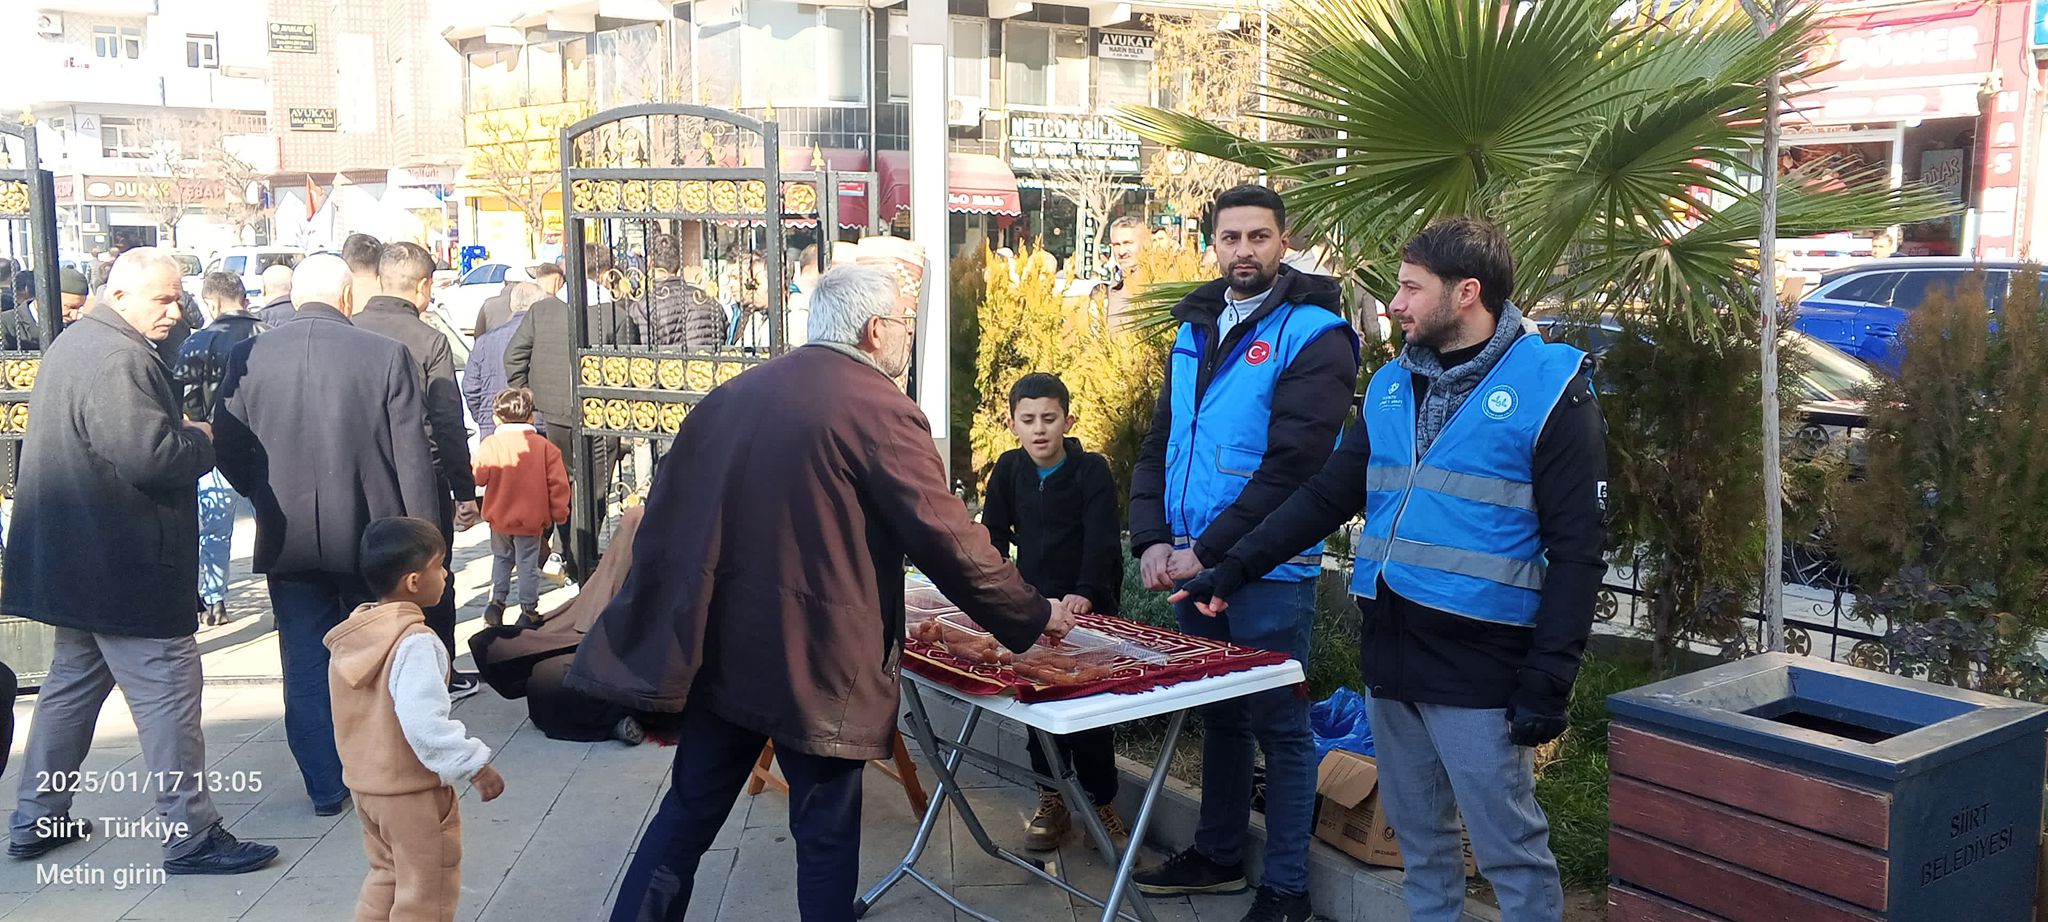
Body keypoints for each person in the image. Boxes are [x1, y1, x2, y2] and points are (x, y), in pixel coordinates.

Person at [565, 265, 1075, 922]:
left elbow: (669, 512)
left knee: (686, 817)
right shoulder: (879, 408)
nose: (908, 335)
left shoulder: (735, 394)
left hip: (723, 649)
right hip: (818, 665)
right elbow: (950, 538)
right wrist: (1031, 614)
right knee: (825, 836)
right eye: (905, 323)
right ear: (875, 330)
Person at [1175, 217, 1607, 922]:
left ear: (1467, 293)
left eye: (1410, 288)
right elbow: (1325, 496)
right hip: (1392, 651)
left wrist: (1549, 679)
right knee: (1421, 846)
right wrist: (1231, 568)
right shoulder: (1390, 385)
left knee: (1509, 853)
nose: (1394, 304)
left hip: (1482, 668)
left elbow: (1580, 551)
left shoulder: (1551, 389)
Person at [4, 248, 280, 873]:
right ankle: (192, 834)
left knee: (70, 691)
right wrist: (199, 440)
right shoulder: (119, 357)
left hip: (81, 563)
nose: (175, 310)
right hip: (126, 566)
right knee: (168, 697)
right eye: (163, 299)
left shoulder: (79, 344)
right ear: (120, 295)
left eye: (177, 297)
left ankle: (35, 818)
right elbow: (151, 457)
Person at [1126, 184, 1359, 922]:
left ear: (1283, 243)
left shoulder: (1314, 333)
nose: (1245, 250)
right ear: (1213, 245)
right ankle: (1220, 856)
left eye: (1259, 236)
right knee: (1219, 715)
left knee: (1281, 730)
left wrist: (1212, 551)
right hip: (1191, 561)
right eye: (1231, 237)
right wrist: (1151, 538)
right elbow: (1162, 441)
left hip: (1268, 568)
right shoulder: (1194, 326)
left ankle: (1286, 888)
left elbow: (1295, 466)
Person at [214, 254, 440, 815]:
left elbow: (228, 444)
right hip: (372, 536)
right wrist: (426, 544)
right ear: (347, 297)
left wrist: (262, 494)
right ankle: (377, 767)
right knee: (377, 655)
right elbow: (413, 458)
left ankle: (324, 783)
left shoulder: (249, 356)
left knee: (305, 662)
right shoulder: (385, 354)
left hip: (287, 537)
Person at [327, 516, 506, 922]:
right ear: (413, 581)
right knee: (426, 891)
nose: (446, 575)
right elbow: (423, 722)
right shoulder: (415, 643)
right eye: (439, 566)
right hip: (411, 792)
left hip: (367, 788)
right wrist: (473, 764)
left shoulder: (356, 634)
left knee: (387, 875)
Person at [981, 372, 1127, 851]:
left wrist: (1086, 592)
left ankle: (1101, 803)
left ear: (1068, 420)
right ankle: (1052, 799)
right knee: (1038, 707)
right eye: (1028, 420)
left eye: (1049, 418)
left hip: (1088, 609)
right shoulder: (1008, 470)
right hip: (1034, 610)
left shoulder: (1091, 471)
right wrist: (1003, 593)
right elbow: (993, 538)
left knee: (1090, 711)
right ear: (1013, 424)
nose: (1039, 429)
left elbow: (1102, 539)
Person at [354, 241, 483, 701]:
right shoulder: (429, 339)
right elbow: (447, 421)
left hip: (363, 477)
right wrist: (464, 490)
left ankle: (376, 666)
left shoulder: (350, 330)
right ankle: (437, 672)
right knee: (432, 573)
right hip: (422, 477)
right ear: (424, 286)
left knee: (376, 574)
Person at [505, 276, 633, 583]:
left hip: (555, 412)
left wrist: (528, 398)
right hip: (600, 413)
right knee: (595, 487)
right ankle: (578, 561)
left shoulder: (541, 311)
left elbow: (514, 356)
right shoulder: (615, 315)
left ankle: (562, 552)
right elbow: (630, 365)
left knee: (566, 481)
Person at [174, 271, 270, 627]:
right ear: (244, 298)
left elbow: (186, 398)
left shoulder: (198, 343)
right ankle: (280, 597)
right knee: (272, 523)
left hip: (215, 444)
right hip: (265, 446)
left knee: (215, 528)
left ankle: (214, 600)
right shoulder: (269, 335)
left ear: (212, 302)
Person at [473, 387, 569, 630]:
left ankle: (496, 602)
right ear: (531, 417)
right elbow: (558, 484)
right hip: (531, 519)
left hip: (499, 517)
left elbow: (479, 476)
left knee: (501, 559)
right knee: (527, 564)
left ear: (497, 419)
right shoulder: (545, 447)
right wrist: (559, 513)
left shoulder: (491, 444)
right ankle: (528, 609)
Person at [464, 282, 544, 440]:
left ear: (512, 305)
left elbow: (471, 387)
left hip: (494, 425)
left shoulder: (485, 341)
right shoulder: (543, 339)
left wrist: (486, 416)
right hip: (536, 425)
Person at [633, 233, 727, 349]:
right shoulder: (708, 301)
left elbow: (643, 352)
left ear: (649, 262)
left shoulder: (644, 305)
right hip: (706, 360)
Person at [1104, 216, 1145, 320]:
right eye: (1116, 244)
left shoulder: (1157, 285)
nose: (1121, 252)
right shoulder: (1108, 290)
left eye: (1128, 243)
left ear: (1144, 243)